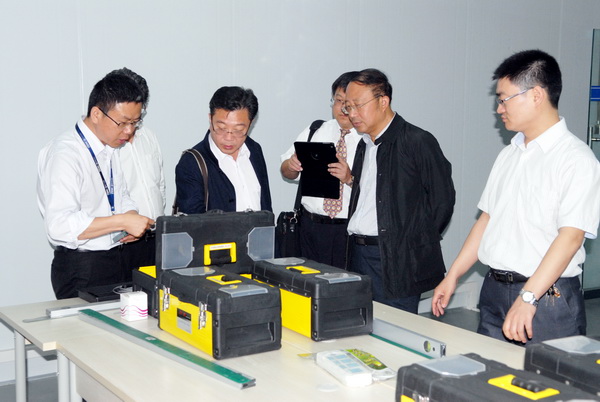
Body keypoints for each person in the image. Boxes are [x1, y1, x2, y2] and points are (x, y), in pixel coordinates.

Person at [432, 49, 600, 344]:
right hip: (495, 291)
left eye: (504, 99)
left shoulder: (576, 159)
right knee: (491, 371)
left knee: (547, 375)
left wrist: (528, 297)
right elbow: (487, 220)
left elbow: (571, 237)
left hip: (547, 298)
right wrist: (453, 275)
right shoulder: (509, 154)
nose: (499, 109)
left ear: (536, 95)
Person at [344, 68, 455, 314]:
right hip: (359, 254)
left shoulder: (417, 141)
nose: (352, 114)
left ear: (383, 102)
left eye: (358, 105)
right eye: (348, 107)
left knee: (395, 327)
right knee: (360, 324)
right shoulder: (365, 145)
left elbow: (442, 201)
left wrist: (411, 245)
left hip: (396, 259)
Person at [37, 72, 154, 299]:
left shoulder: (109, 147)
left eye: (135, 123)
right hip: (83, 266)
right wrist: (121, 221)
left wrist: (130, 215)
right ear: (97, 114)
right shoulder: (65, 154)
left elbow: (120, 195)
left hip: (118, 258)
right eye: (123, 123)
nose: (129, 131)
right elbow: (59, 225)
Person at [280, 71, 359, 268]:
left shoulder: (368, 140)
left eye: (349, 103)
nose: (343, 108)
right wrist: (291, 165)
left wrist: (349, 178)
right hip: (310, 227)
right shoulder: (316, 130)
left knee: (344, 284)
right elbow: (285, 171)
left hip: (347, 231)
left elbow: (377, 191)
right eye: (338, 100)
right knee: (307, 281)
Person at [175, 86, 272, 213]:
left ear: (250, 123)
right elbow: (193, 221)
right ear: (210, 119)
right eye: (221, 128)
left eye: (238, 130)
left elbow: (265, 206)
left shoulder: (254, 150)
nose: (228, 138)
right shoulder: (191, 163)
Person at [111, 68, 166, 274]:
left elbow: (159, 186)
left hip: (155, 241)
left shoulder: (149, 136)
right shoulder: (108, 145)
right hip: (122, 244)